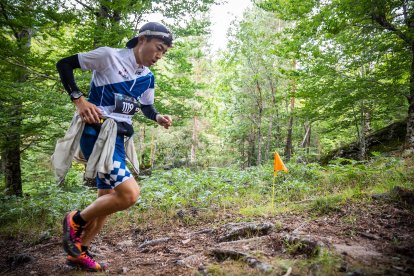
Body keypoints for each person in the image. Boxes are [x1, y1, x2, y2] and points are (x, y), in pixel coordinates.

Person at [55, 22, 173, 272]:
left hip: (119, 139)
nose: (159, 56)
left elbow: (145, 107)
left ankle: (79, 252)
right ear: (142, 39)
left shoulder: (147, 77)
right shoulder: (109, 56)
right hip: (96, 133)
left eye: (164, 53)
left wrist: (158, 117)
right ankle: (74, 220)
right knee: (129, 194)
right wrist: (79, 99)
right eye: (158, 48)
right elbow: (64, 64)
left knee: (107, 201)